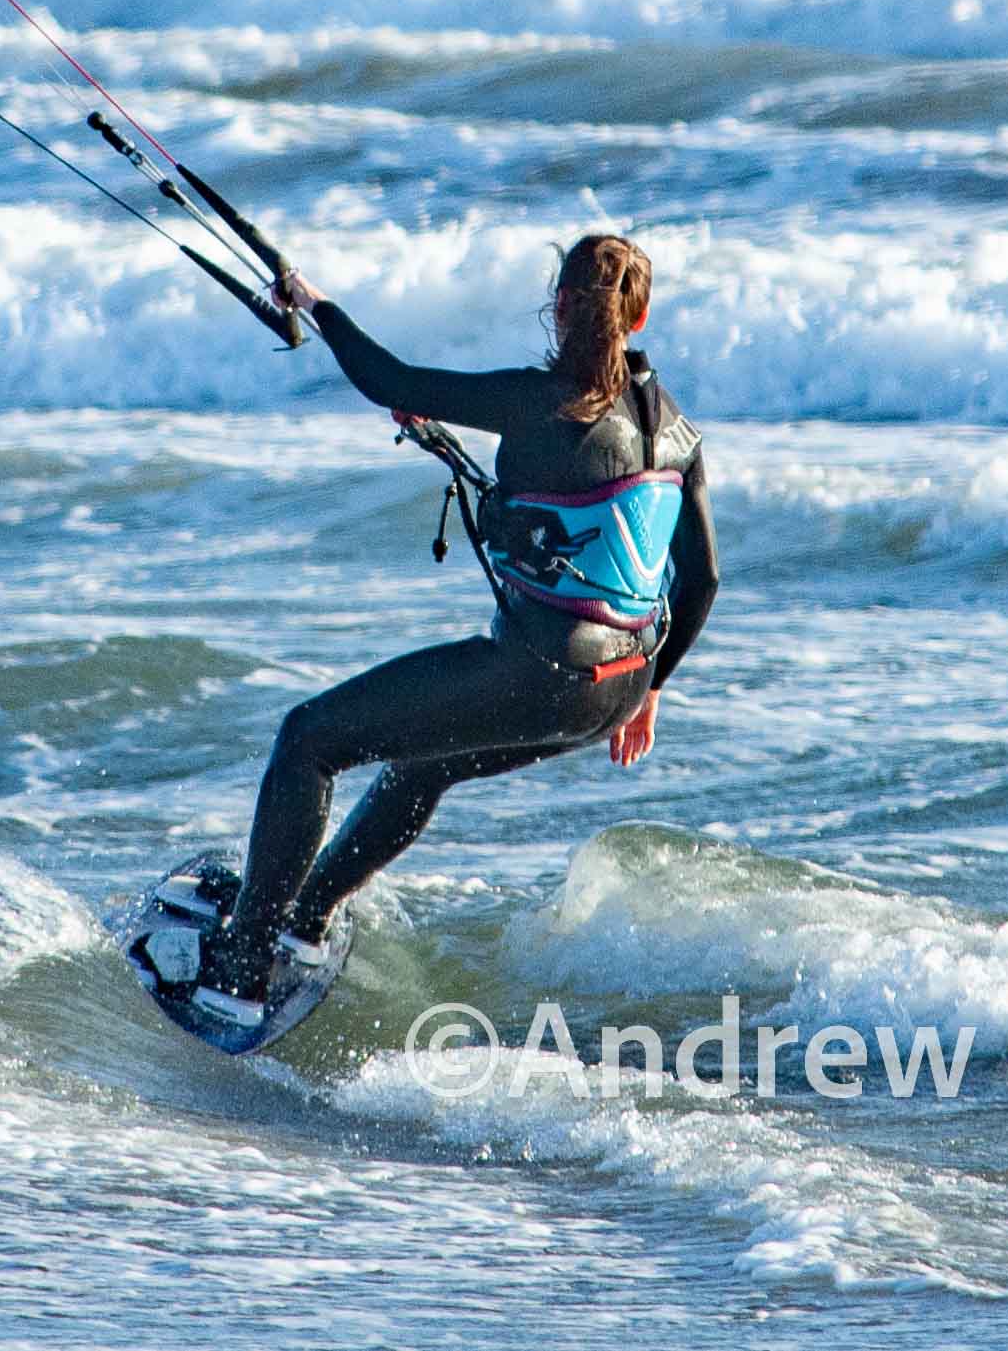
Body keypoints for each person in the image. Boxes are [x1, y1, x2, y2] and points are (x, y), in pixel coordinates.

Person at [191, 233, 719, 1026]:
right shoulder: (676, 431)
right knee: (417, 767)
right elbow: (702, 578)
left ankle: (239, 969)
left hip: (537, 674)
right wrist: (651, 693)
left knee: (308, 740)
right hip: (618, 688)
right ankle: (300, 923)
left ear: (561, 306)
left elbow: (386, 378)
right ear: (638, 317)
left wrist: (313, 302)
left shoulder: (532, 399)